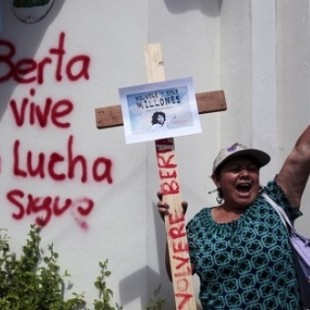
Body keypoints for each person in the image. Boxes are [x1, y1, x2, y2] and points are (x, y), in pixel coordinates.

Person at [157, 124, 310, 309]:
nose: (245, 174)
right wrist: (173, 228)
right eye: (235, 169)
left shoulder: (275, 202)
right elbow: (178, 276)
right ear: (216, 179)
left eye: (252, 169)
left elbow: (304, 151)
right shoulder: (199, 226)